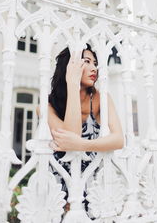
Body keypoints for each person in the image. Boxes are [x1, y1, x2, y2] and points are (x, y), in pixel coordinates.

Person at [48, 43, 124, 214]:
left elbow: (119, 139)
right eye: (87, 62)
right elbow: (70, 136)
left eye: (95, 63)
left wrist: (81, 144)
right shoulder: (47, 105)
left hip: (93, 183)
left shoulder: (100, 98)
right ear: (70, 66)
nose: (94, 68)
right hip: (60, 183)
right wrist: (72, 83)